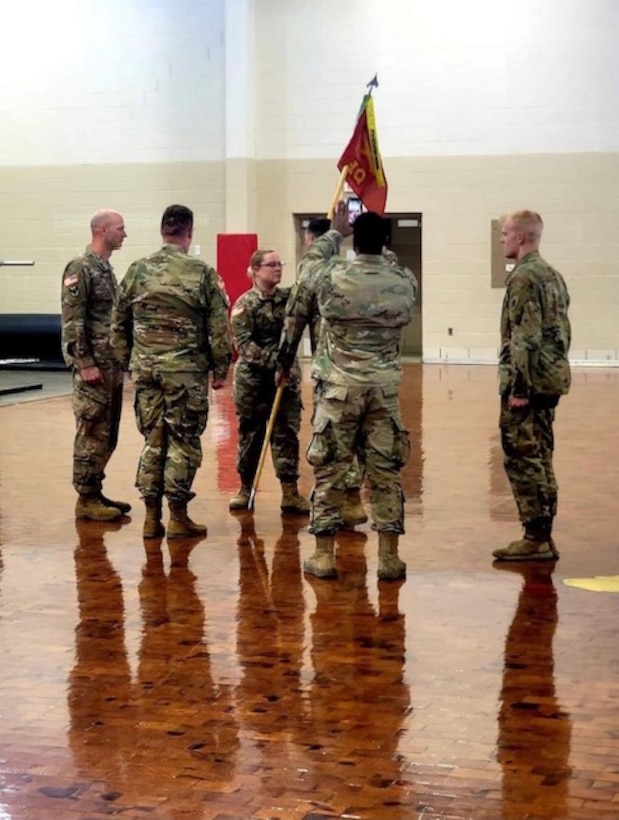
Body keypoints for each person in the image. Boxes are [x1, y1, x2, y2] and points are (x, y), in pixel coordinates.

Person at [278, 211, 416, 580]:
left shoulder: (334, 276)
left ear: (354, 238)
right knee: (386, 473)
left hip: (339, 389)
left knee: (330, 470)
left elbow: (307, 270)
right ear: (386, 241)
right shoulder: (402, 280)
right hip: (383, 390)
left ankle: (324, 556)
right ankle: (389, 557)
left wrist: (333, 234)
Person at [110, 204, 232, 539]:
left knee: (153, 441)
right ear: (189, 232)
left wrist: (128, 363)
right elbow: (219, 328)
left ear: (162, 230)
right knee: (182, 442)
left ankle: (151, 518)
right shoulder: (202, 273)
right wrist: (221, 368)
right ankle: (178, 517)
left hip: (147, 372)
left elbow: (117, 322)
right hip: (186, 374)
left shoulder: (137, 270)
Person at [493, 210, 571, 562]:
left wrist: (519, 389)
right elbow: (561, 333)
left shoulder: (524, 278)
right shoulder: (552, 275)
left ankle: (535, 537)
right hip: (550, 378)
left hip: (529, 382)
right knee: (541, 455)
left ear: (521, 237)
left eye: (506, 233)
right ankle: (543, 534)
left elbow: (526, 337)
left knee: (523, 457)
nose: (501, 239)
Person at [293, 208, 368, 528]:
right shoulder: (354, 271)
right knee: (354, 436)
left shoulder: (318, 276)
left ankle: (331, 509)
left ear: (312, 240)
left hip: (331, 369)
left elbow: (293, 319)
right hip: (363, 371)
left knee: (328, 438)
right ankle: (352, 499)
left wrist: (285, 361)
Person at [228, 249, 310, 514]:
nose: (277, 268)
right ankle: (244, 489)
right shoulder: (245, 305)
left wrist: (285, 369)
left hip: (285, 381)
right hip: (253, 382)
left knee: (286, 435)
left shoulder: (289, 300)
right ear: (255, 270)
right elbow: (244, 346)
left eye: (279, 264)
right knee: (251, 435)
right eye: (271, 265)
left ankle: (290, 493)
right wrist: (276, 364)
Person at [61, 209, 130, 522]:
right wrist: (85, 363)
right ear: (102, 230)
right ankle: (85, 498)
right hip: (93, 370)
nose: (124, 234)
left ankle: (95, 489)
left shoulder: (105, 269)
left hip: (110, 367)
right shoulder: (81, 267)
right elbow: (73, 322)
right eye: (120, 228)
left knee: (107, 433)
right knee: (91, 431)